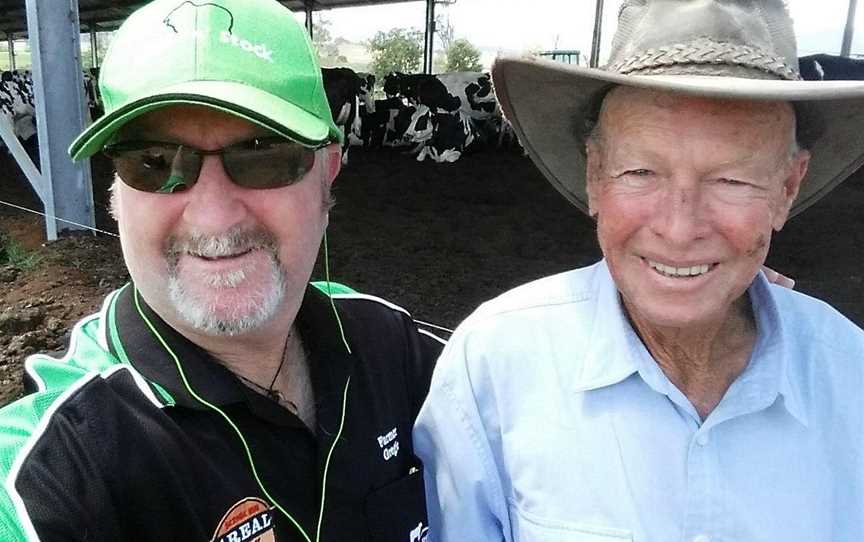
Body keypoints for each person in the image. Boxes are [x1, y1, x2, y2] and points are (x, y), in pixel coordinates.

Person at [414, 1, 864, 540]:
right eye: (640, 171)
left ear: (788, 188)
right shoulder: (493, 365)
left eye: (732, 181)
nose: (679, 229)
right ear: (594, 175)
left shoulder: (852, 381)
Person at [0, 0, 444, 540]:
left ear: (328, 171)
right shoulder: (58, 466)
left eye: (262, 153)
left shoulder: (390, 346)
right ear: (115, 190)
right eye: (155, 163)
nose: (213, 216)